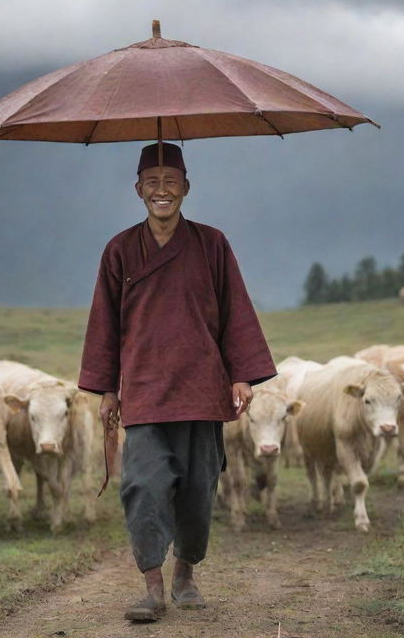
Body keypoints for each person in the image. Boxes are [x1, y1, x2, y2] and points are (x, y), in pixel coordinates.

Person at [78, 142, 276, 622]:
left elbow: (235, 312)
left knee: (196, 487)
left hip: (202, 389)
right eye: (153, 182)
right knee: (143, 485)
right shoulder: (120, 250)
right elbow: (104, 323)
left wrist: (243, 375)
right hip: (144, 393)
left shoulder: (212, 243)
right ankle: (152, 586)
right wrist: (107, 387)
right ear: (138, 189)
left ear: (186, 188)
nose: (161, 191)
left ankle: (185, 573)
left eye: (171, 182)